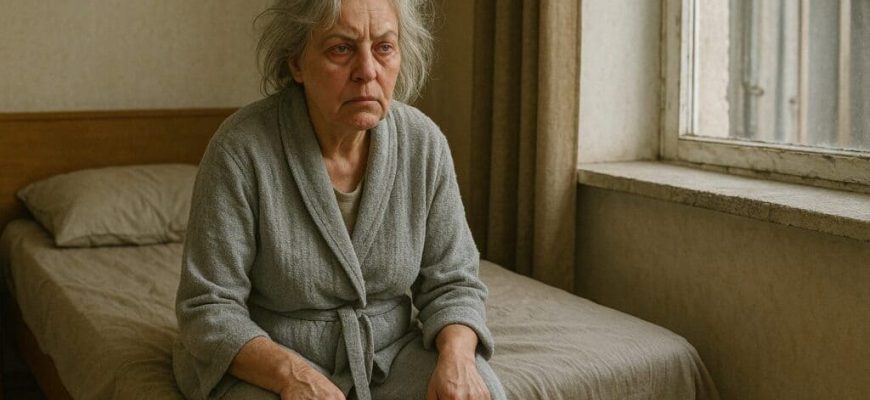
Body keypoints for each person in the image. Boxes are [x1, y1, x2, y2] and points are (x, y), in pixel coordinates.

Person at [172, 0, 506, 399]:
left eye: (384, 48)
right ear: (297, 62)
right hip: (266, 358)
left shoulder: (423, 143)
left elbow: (454, 283)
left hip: (389, 354)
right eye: (341, 49)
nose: (367, 71)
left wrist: (457, 359)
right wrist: (292, 375)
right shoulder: (241, 148)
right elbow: (208, 307)